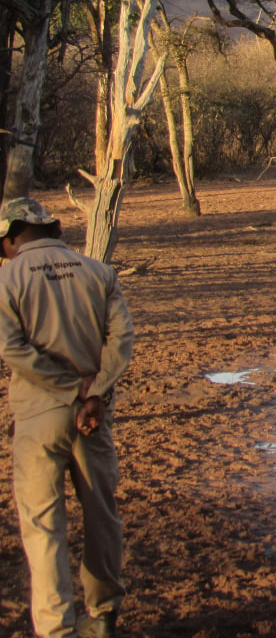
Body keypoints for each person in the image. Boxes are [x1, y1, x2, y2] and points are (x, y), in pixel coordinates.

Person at [0, 197, 133, 638]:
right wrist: (94, 392)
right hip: (93, 416)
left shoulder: (8, 278)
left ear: (10, 237)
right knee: (101, 512)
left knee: (42, 525)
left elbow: (12, 349)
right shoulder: (98, 271)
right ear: (53, 229)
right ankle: (102, 616)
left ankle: (56, 628)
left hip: (39, 415)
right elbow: (121, 338)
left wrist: (64, 389)